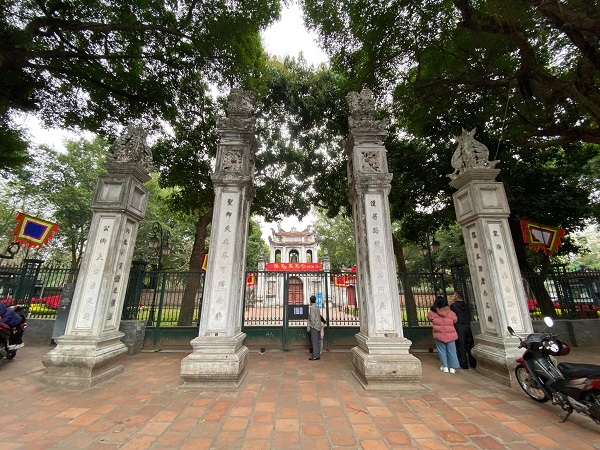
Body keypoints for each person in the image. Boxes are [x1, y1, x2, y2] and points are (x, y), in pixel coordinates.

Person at [427, 296, 460, 373]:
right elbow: (455, 320)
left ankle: (445, 366)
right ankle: (452, 367)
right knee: (452, 351)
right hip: (450, 334)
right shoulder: (451, 313)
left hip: (439, 334)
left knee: (442, 350)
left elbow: (429, 319)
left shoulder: (432, 313)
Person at [450, 291, 477, 369]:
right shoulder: (466, 305)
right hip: (467, 326)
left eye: (453, 296)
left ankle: (463, 364)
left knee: (460, 346)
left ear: (456, 297)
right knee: (470, 345)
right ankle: (473, 363)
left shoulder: (453, 306)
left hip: (459, 327)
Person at [306, 295, 322, 360]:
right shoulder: (317, 307)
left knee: (314, 341)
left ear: (310, 301)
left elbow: (312, 318)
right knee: (317, 341)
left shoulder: (312, 307)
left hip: (314, 327)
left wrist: (312, 326)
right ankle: (317, 354)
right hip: (318, 326)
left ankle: (315, 356)